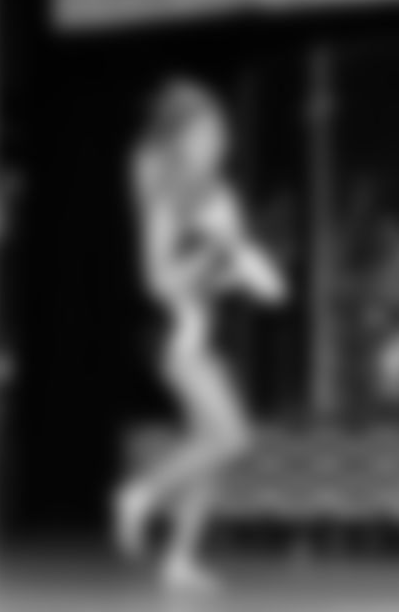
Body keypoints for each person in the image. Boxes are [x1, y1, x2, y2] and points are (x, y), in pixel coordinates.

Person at [114, 78, 286, 593]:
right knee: (232, 436)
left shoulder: (221, 195)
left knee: (211, 444)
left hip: (201, 330)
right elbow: (154, 278)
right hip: (173, 330)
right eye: (208, 133)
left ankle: (179, 560)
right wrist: (216, 258)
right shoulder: (167, 194)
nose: (220, 141)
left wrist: (249, 274)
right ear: (183, 140)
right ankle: (140, 494)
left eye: (222, 132)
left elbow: (230, 266)